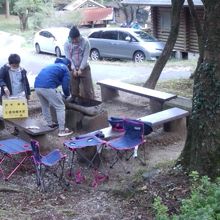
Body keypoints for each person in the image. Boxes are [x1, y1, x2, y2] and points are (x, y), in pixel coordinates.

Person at [34, 57, 73, 137]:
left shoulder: (52, 66)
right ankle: (62, 131)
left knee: (45, 105)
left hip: (37, 86)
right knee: (60, 107)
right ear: (68, 64)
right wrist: (67, 95)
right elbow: (65, 86)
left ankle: (49, 124)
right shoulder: (65, 68)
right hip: (47, 86)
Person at [64, 26, 95, 101]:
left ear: (79, 36)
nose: (74, 41)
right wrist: (74, 69)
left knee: (88, 90)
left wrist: (81, 68)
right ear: (70, 37)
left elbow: (85, 56)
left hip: (84, 68)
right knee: (74, 91)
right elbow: (68, 58)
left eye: (76, 39)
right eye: (73, 39)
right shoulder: (67, 44)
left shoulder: (85, 42)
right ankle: (77, 108)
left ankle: (90, 106)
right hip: (72, 68)